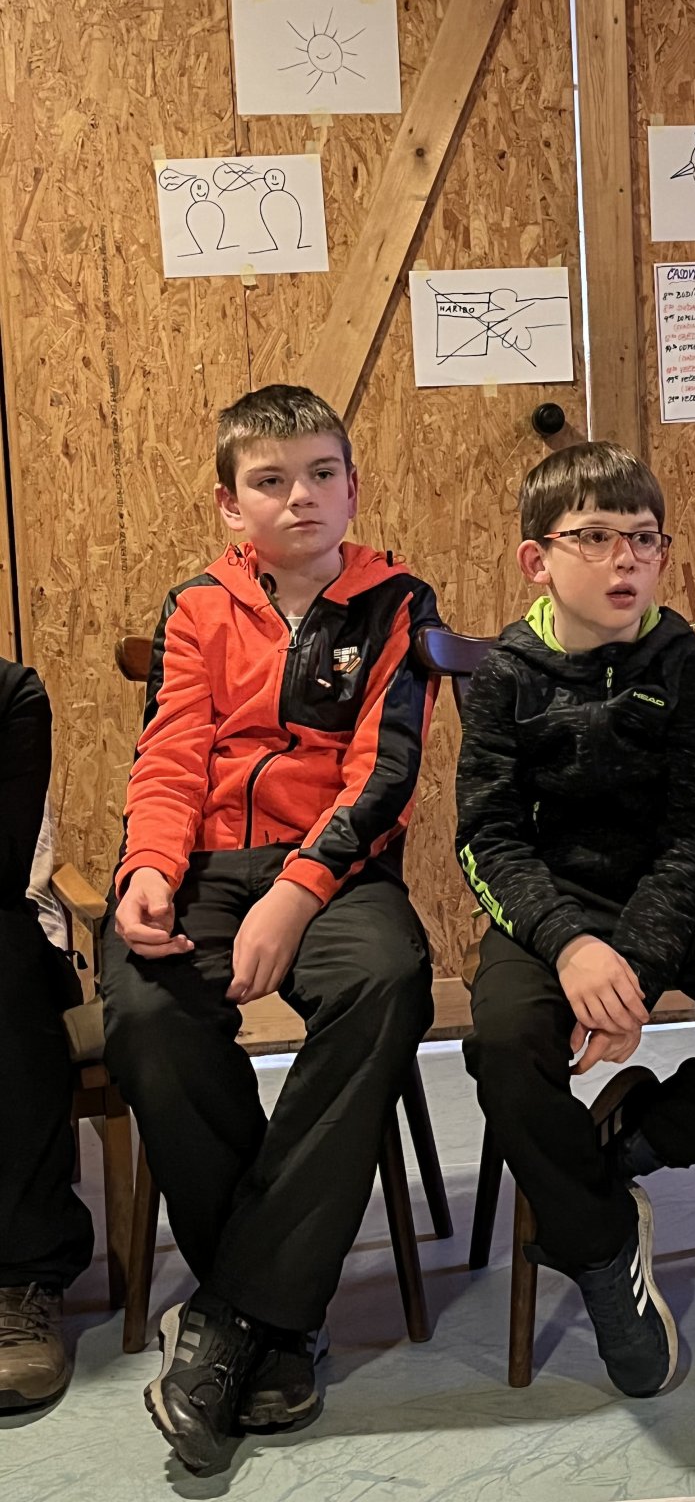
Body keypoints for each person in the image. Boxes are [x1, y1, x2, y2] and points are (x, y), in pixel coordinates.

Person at [101, 385, 439, 1473]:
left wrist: (296, 894)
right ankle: (279, 1322)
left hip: (335, 869)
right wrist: (149, 869)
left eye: (322, 474)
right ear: (229, 504)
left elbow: (384, 773)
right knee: (146, 1009)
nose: (301, 497)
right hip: (204, 865)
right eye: (271, 480)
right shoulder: (196, 606)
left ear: (353, 486)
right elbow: (169, 755)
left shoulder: (397, 603)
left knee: (387, 980)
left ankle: (234, 1314)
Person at [455, 441, 695, 1398]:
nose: (625, 559)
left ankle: (636, 1141)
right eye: (594, 538)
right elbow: (488, 839)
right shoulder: (505, 675)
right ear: (537, 560)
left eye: (644, 539)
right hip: (554, 902)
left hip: (683, 892)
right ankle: (600, 1241)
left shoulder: (684, 663)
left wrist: (633, 966)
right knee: (503, 1044)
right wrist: (572, 946)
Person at [0, 663, 94, 1409]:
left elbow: (3, 866)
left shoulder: (12, 698)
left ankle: (21, 1278)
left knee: (4, 961)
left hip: (5, 933)